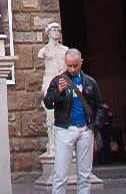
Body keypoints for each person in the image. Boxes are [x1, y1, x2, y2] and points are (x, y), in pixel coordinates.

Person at [43, 48, 104, 194]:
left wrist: (94, 125)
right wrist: (58, 91)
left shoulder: (90, 82)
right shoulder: (58, 81)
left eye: (75, 65)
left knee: (85, 174)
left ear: (81, 62)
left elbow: (100, 106)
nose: (72, 69)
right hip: (65, 129)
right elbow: (48, 103)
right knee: (60, 174)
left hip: (85, 129)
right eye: (69, 65)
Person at [38, 22, 68, 155]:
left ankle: (65, 143)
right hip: (50, 80)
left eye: (58, 29)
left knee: (66, 110)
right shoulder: (44, 51)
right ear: (48, 33)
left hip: (62, 80)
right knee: (50, 114)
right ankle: (52, 144)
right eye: (53, 29)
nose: (56, 31)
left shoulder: (65, 50)